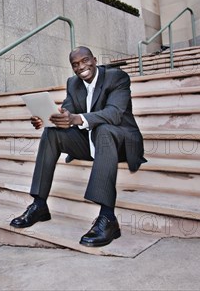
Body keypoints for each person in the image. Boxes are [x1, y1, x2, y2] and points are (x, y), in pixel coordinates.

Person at [10, 46, 146, 247]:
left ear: (94, 59)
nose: (81, 67)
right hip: (92, 142)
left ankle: (108, 218)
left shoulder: (117, 77)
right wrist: (48, 119)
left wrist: (77, 118)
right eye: (75, 64)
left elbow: (114, 114)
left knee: (105, 130)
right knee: (52, 132)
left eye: (85, 60)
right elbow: (68, 111)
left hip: (121, 142)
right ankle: (39, 204)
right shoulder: (73, 84)